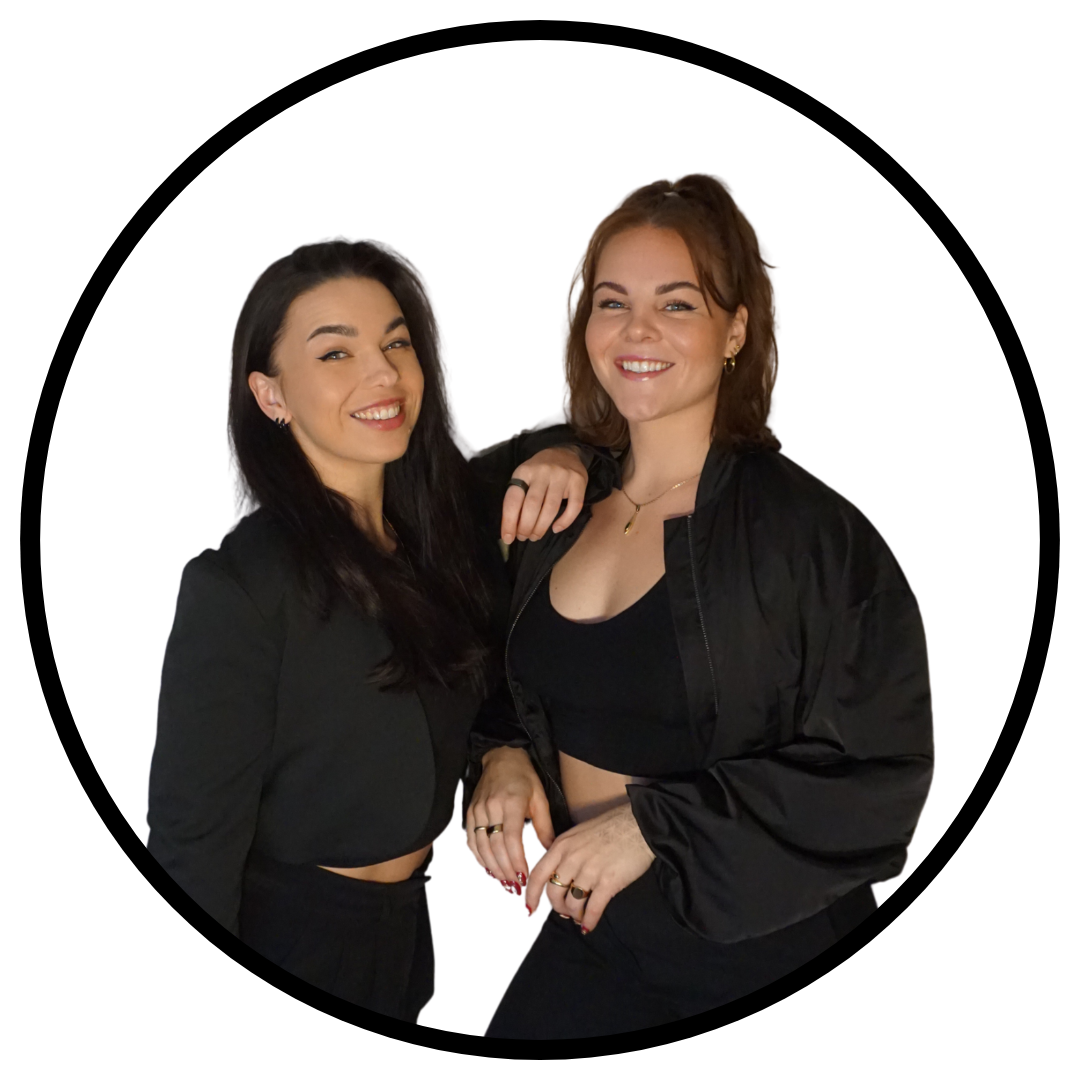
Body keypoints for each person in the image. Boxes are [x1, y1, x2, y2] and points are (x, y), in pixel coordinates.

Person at [463, 174, 936, 1038]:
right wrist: (501, 756)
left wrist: (658, 829)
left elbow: (884, 774)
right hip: (593, 931)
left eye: (676, 304)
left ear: (736, 330)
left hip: (756, 942)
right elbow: (490, 659)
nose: (637, 330)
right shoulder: (554, 505)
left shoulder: (808, 530)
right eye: (614, 303)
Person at [145, 236, 597, 1023]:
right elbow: (191, 845)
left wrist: (503, 755)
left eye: (396, 343)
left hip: (410, 936)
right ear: (270, 393)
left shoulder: (445, 530)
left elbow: (607, 432)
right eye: (335, 353)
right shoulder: (237, 590)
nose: (383, 374)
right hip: (290, 936)